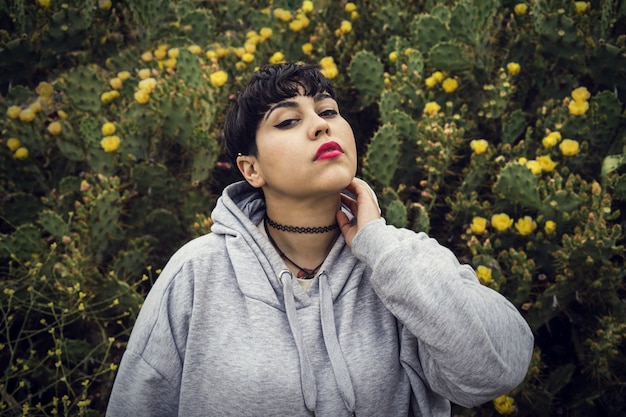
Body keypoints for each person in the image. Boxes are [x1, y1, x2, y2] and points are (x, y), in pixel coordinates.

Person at [106, 63, 534, 417]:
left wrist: (376, 244)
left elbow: (499, 369)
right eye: (288, 120)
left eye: (328, 111)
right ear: (250, 169)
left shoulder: (403, 262)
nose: (318, 126)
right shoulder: (198, 273)